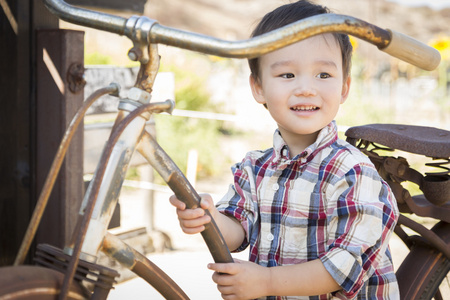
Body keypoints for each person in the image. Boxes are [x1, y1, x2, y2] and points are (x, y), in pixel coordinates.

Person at [169, 1, 399, 299]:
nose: (306, 88)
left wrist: (266, 282)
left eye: (323, 75)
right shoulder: (254, 167)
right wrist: (207, 217)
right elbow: (238, 230)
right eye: (287, 75)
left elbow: (344, 267)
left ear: (344, 87)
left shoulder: (353, 171)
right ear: (259, 87)